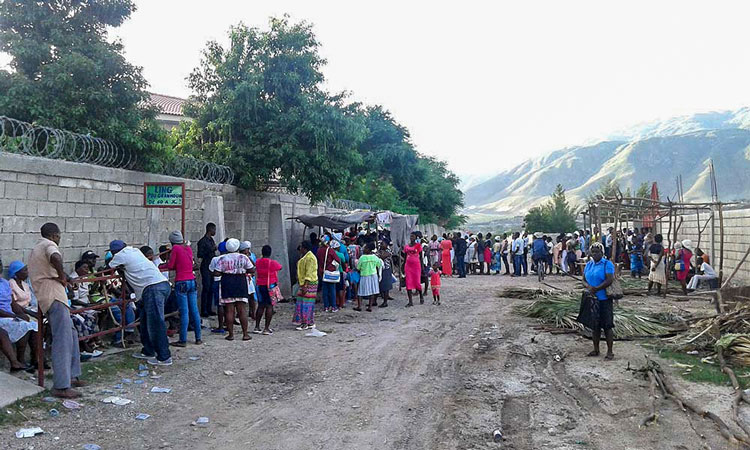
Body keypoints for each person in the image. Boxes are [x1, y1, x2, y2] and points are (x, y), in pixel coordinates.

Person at [29, 223, 83, 398]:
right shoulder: (48, 245)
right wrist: (61, 276)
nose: (59, 239)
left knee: (72, 333)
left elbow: (50, 265)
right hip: (53, 296)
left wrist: (63, 276)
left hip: (50, 296)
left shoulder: (36, 247)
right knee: (63, 338)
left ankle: (72, 375)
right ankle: (61, 385)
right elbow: (56, 258)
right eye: (59, 236)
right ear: (54, 235)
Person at [108, 239, 172, 366]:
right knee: (144, 320)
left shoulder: (120, 255)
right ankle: (148, 350)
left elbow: (109, 267)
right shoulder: (135, 251)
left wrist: (120, 268)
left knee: (155, 323)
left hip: (152, 288)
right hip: (156, 287)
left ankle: (164, 356)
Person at [161, 231, 201, 347]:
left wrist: (162, 266)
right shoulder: (187, 248)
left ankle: (182, 340)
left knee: (184, 312)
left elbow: (171, 265)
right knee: (194, 310)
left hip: (181, 281)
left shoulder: (176, 249)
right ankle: (198, 338)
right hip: (191, 280)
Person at [0, 257, 38, 373]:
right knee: (21, 325)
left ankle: (33, 359)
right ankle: (17, 361)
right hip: (3, 316)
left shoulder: (5, 283)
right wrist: (13, 316)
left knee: (32, 325)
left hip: (9, 315)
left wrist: (21, 314)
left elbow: (12, 303)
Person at [215, 239, 254, 341]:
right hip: (241, 282)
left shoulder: (223, 259)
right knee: (242, 310)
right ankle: (245, 334)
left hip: (227, 282)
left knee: (229, 310)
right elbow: (251, 269)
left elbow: (217, 273)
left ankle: (231, 334)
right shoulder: (243, 257)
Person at [582, 243, 615, 360]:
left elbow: (609, 279)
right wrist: (589, 287)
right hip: (592, 299)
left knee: (607, 326)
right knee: (594, 326)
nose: (595, 254)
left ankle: (610, 351)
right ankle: (596, 349)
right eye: (593, 252)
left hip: (604, 299)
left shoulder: (607, 264)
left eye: (597, 252)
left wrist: (597, 288)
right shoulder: (589, 265)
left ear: (602, 252)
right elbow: (584, 280)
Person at [254, 245, 282, 335]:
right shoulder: (272, 263)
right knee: (269, 306)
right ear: (270, 253)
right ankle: (266, 328)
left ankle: (257, 327)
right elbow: (280, 267)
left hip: (259, 285)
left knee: (261, 305)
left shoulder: (258, 262)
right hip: (270, 285)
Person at [294, 241, 318, 330]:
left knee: (306, 303)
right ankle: (309, 321)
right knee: (304, 302)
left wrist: (305, 285)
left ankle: (305, 323)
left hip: (309, 283)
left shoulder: (310, 258)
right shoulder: (305, 257)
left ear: (304, 248)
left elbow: (309, 272)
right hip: (304, 282)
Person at [197, 223, 217, 317]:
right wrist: (211, 250)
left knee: (211, 288)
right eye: (214, 230)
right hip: (205, 266)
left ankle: (209, 309)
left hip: (212, 266)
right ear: (210, 230)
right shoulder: (202, 241)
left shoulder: (211, 240)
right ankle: (204, 310)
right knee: (206, 287)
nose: (215, 232)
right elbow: (200, 254)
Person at [356, 242, 382, 312]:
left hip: (364, 275)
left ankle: (359, 306)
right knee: (372, 291)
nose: (363, 249)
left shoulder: (362, 258)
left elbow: (358, 267)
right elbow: (379, 265)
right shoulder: (375, 257)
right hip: (373, 275)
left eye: (365, 248)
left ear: (368, 249)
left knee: (360, 292)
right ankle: (370, 306)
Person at [317, 239, 341, 313]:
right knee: (332, 290)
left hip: (322, 272)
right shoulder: (330, 250)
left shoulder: (319, 251)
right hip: (330, 272)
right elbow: (338, 260)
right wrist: (332, 265)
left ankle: (326, 307)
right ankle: (333, 307)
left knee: (325, 290)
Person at [404, 232, 425, 306]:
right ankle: (410, 301)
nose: (411, 238)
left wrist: (422, 268)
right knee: (408, 282)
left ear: (416, 238)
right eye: (410, 236)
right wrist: (403, 266)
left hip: (416, 266)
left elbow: (421, 257)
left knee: (417, 282)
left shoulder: (418, 246)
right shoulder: (406, 246)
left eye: (413, 236)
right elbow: (405, 256)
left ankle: (421, 296)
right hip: (408, 266)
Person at [239, 241, 258, 319]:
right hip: (243, 278)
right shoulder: (240, 257)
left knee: (251, 297)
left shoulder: (249, 256)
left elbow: (254, 266)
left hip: (249, 278)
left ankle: (252, 312)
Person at [377, 240, 395, 307]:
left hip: (386, 269)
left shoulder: (389, 251)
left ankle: (385, 301)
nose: (381, 245)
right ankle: (383, 298)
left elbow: (382, 256)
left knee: (386, 286)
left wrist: (381, 252)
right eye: (381, 244)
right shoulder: (379, 251)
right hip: (380, 269)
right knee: (381, 285)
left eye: (382, 244)